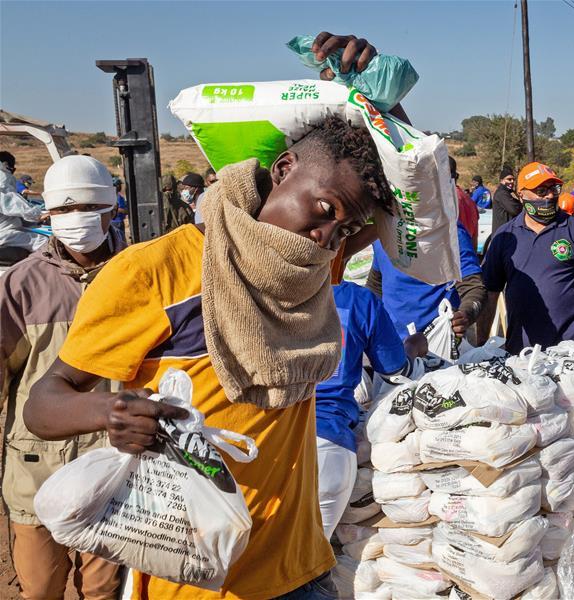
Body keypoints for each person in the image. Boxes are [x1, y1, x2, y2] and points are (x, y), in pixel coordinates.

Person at [24, 85, 399, 600]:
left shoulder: (305, 271)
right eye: (324, 208)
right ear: (284, 168)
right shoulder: (155, 272)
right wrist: (111, 412)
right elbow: (44, 406)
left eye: (344, 229)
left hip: (301, 570)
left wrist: (375, 93)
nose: (326, 237)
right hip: (197, 579)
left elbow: (408, 183)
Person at [1, 155, 125, 600]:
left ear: (113, 208)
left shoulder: (138, 275)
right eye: (64, 210)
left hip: (113, 468)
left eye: (88, 208)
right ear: (48, 214)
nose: (76, 220)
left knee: (104, 589)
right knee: (40, 588)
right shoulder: (19, 286)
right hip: (36, 468)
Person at [315, 278, 426, 539]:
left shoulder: (260, 287)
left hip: (269, 441)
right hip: (327, 442)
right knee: (309, 564)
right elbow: (396, 372)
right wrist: (413, 347)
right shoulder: (356, 300)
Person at [479, 162, 574, 354]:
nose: (550, 195)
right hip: (520, 354)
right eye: (541, 190)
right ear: (521, 195)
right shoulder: (504, 237)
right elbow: (490, 293)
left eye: (554, 189)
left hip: (570, 353)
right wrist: (481, 347)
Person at [367, 220, 486, 343]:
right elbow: (376, 284)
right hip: (392, 341)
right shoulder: (382, 231)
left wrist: (464, 315)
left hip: (439, 341)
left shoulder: (451, 233)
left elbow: (473, 288)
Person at [0, 151, 45, 261]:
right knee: (45, 243)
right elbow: (13, 203)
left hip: (7, 230)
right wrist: (38, 215)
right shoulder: (3, 177)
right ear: (6, 165)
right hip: (4, 234)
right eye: (13, 169)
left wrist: (34, 219)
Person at [450, 156, 478, 247]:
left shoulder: (449, 200)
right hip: (467, 255)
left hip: (455, 256)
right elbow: (474, 236)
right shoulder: (469, 200)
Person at [491, 165, 521, 235]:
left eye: (513, 179)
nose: (512, 182)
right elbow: (514, 210)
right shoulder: (502, 193)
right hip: (503, 234)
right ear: (501, 181)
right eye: (509, 179)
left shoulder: (508, 192)